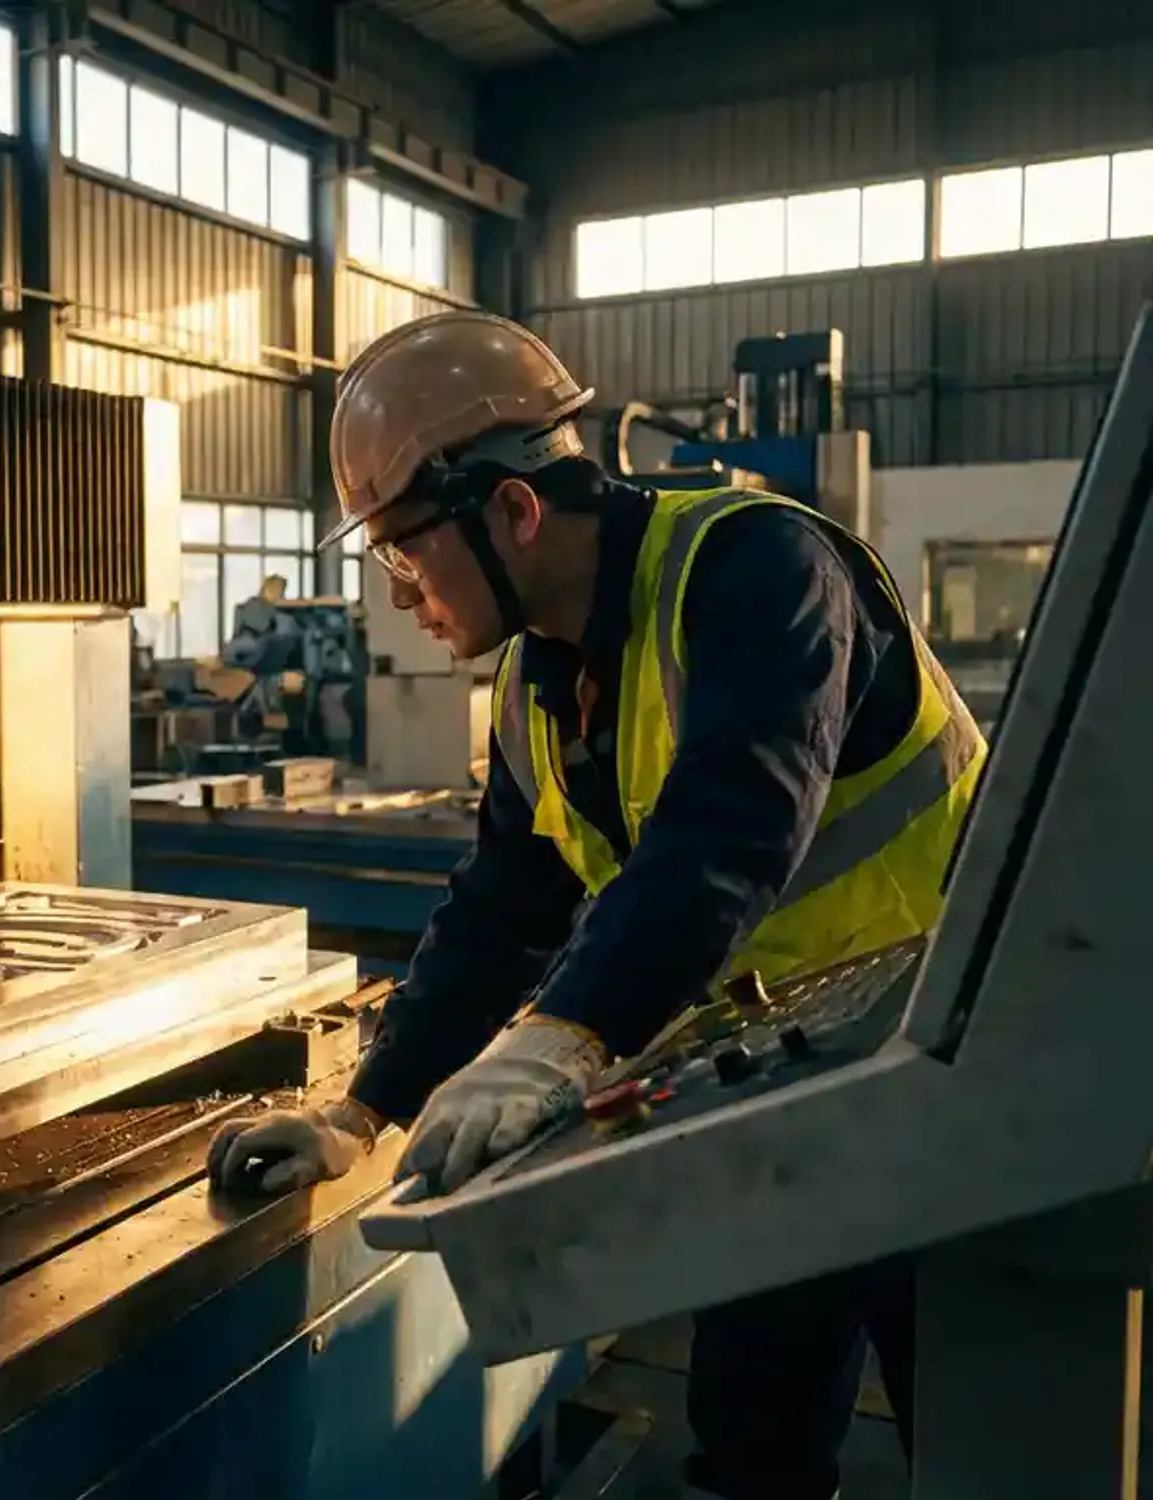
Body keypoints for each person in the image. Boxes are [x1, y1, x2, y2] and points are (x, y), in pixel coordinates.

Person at [204, 310, 985, 1500]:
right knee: (750, 1435)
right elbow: (496, 912)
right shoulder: (536, 682)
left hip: (950, 1065)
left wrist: (556, 1040)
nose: (401, 592)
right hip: (776, 1088)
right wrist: (362, 1113)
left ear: (512, 512)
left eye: (405, 551)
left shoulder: (758, 569)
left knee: (988, 1428)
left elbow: (729, 832)